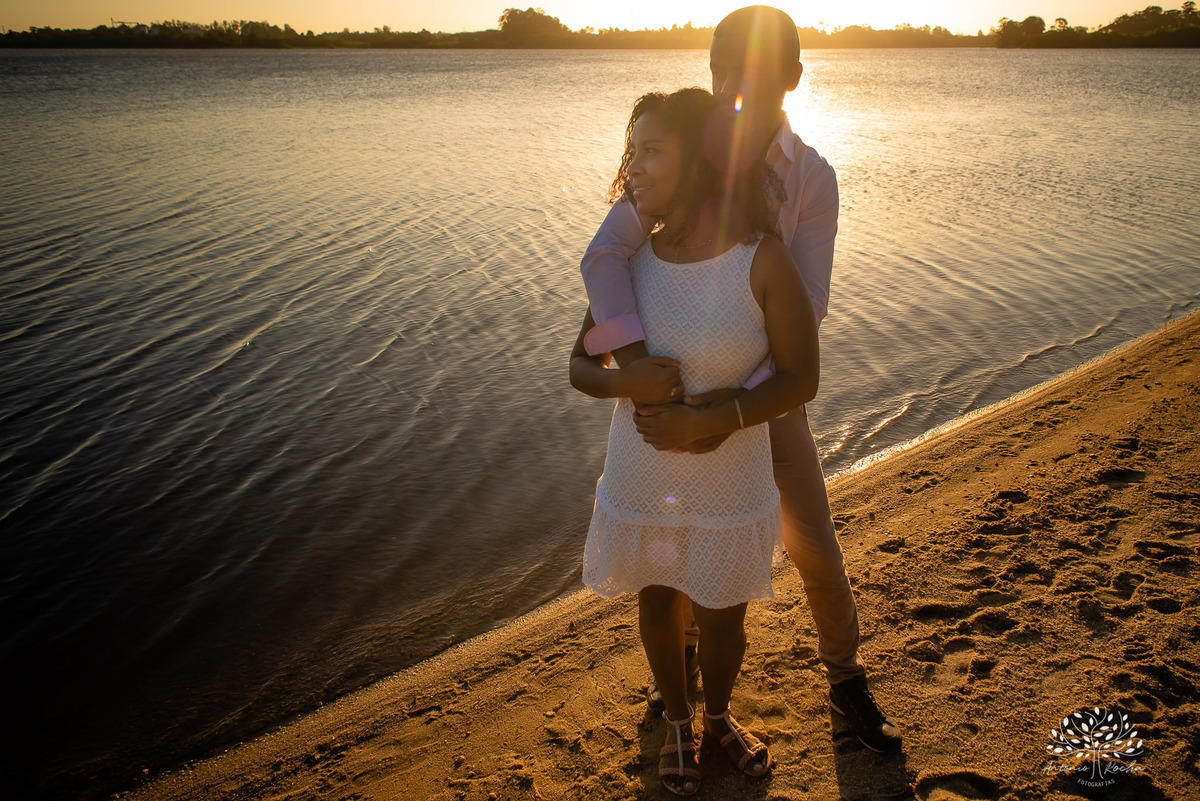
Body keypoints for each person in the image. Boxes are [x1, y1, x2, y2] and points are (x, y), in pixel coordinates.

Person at [576, 6, 902, 754]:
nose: (735, 91)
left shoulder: (811, 176)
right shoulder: (687, 152)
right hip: (666, 393)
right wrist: (635, 373)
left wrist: (728, 409)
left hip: (760, 390)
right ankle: (680, 677)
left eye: (754, 76)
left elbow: (808, 306)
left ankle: (845, 677)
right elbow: (610, 257)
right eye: (723, 73)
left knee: (811, 536)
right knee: (672, 539)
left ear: (791, 79)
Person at [570, 87, 819, 795]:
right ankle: (676, 719)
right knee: (656, 602)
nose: (635, 165)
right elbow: (579, 366)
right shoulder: (631, 263)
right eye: (632, 149)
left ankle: (717, 715)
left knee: (722, 614)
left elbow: (802, 377)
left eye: (654, 150)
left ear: (701, 161)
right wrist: (631, 383)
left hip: (730, 466)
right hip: (642, 471)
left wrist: (716, 419)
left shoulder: (760, 260)